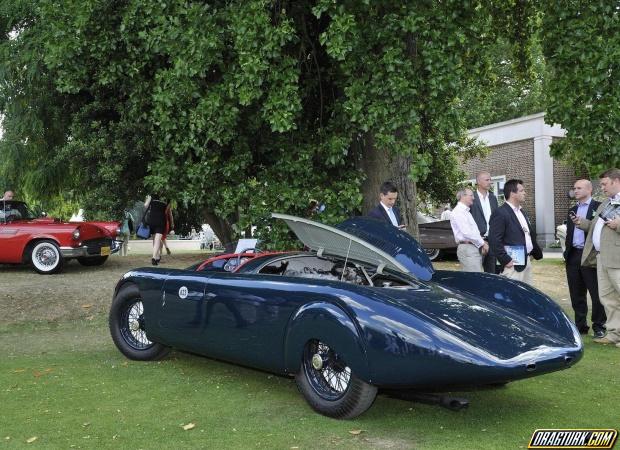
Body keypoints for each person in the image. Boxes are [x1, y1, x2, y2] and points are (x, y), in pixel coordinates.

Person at [572, 168, 620, 346]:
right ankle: (615, 333)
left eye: (604, 184)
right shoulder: (606, 203)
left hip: (617, 258)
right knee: (608, 298)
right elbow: (595, 225)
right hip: (601, 258)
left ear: (616, 181)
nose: (602, 188)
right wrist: (582, 223)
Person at [564, 179, 605, 337]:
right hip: (573, 255)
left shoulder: (598, 207)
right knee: (576, 293)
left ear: (589, 189)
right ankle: (581, 326)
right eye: (574, 188)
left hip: (590, 255)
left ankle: (599, 326)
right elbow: (569, 233)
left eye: (579, 188)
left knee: (596, 293)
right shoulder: (572, 209)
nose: (576, 191)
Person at [489, 179, 543, 284]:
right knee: (511, 296)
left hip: (526, 261)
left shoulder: (521, 212)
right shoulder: (500, 213)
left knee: (526, 295)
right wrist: (506, 260)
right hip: (512, 265)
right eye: (521, 190)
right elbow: (494, 239)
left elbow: (527, 234)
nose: (525, 193)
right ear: (512, 193)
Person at [449, 188, 488, 272]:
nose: (473, 198)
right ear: (463, 196)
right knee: (475, 280)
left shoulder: (465, 211)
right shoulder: (459, 211)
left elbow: (472, 232)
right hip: (468, 248)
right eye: (471, 195)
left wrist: (481, 243)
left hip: (471, 247)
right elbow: (467, 233)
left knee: (477, 278)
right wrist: (482, 243)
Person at [470, 171, 499, 273]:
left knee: (492, 273)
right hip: (476, 241)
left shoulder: (493, 198)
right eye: (487, 180)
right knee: (475, 274)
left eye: (490, 179)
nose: (490, 182)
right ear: (478, 181)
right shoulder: (471, 198)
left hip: (492, 241)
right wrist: (479, 239)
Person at [144, 194, 170, 266]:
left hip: (152, 220)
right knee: (157, 240)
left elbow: (145, 205)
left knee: (154, 239)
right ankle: (154, 257)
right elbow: (167, 211)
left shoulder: (151, 196)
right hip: (161, 220)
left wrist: (148, 199)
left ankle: (157, 257)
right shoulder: (168, 197)